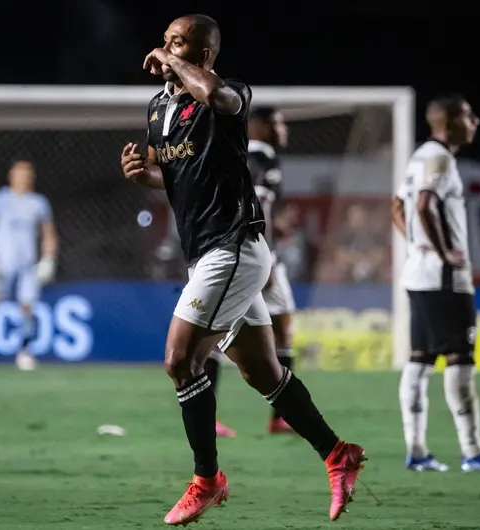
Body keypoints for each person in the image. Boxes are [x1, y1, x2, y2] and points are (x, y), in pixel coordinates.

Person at [120, 14, 365, 525]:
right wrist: (146, 177)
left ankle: (206, 480)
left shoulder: (228, 94)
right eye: (164, 41)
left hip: (232, 247)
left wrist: (172, 63)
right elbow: (180, 180)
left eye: (179, 43)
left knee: (179, 360)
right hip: (208, 253)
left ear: (204, 53)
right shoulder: (159, 108)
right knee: (261, 372)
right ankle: (337, 454)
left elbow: (215, 96)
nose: (165, 50)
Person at [392, 94, 480, 472]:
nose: (475, 120)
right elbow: (421, 205)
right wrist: (444, 251)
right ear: (448, 122)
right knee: (460, 359)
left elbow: (398, 207)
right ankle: (473, 451)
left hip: (419, 273)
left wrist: (418, 247)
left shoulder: (419, 156)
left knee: (420, 359)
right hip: (444, 277)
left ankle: (417, 452)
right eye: (468, 115)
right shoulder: (440, 158)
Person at [203, 106, 297, 437]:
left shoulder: (246, 157)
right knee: (219, 335)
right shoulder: (259, 160)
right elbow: (249, 206)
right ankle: (280, 415)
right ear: (261, 127)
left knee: (223, 333)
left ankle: (280, 416)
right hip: (254, 255)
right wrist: (265, 254)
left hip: (249, 252)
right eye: (279, 123)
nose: (284, 129)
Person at [0, 160, 58, 371]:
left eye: (28, 175)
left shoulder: (39, 202)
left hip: (27, 265)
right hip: (1, 264)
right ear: (11, 176)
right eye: (20, 174)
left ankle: (25, 352)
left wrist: (48, 259)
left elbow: (48, 233)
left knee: (28, 308)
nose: (24, 179)